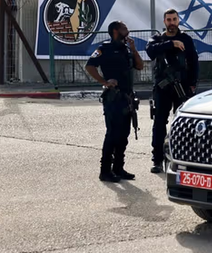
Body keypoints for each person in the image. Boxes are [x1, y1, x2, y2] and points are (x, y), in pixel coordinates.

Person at [85, 20, 144, 183]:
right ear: (116, 31)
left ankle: (118, 168)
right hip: (113, 98)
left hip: (127, 98)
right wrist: (104, 82)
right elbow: (89, 66)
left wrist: (134, 49)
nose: (128, 30)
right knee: (112, 134)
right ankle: (105, 171)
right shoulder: (104, 48)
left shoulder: (127, 49)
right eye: (124, 28)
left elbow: (140, 66)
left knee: (124, 134)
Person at [145, 9, 199, 174]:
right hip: (162, 88)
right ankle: (157, 159)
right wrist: (171, 44)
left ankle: (182, 157)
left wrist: (192, 84)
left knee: (183, 124)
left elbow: (194, 62)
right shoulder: (157, 39)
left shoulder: (186, 39)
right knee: (159, 123)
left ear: (178, 20)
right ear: (164, 22)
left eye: (174, 19)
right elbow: (150, 51)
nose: (171, 23)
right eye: (168, 20)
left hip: (181, 87)